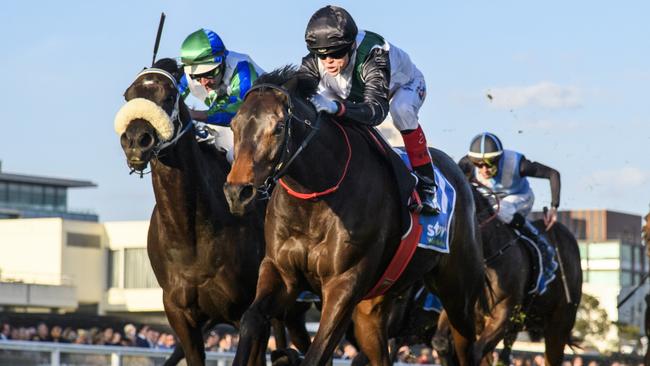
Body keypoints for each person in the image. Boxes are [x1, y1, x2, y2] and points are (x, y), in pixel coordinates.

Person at [300, 5, 440, 215]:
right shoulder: (317, 57)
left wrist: (337, 107)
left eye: (336, 54)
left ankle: (428, 185)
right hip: (351, 93)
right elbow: (298, 92)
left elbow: (376, 111)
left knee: (401, 111)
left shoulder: (373, 55)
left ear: (350, 46)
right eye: (322, 56)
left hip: (402, 87)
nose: (328, 61)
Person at [459, 132, 560, 294]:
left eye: (489, 163)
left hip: (519, 197)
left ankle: (534, 237)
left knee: (502, 210)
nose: (483, 169)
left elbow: (553, 174)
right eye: (479, 165)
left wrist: (554, 207)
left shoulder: (518, 164)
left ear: (499, 159)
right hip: (489, 199)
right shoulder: (466, 164)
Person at [178, 28, 264, 161]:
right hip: (222, 120)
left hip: (257, 124)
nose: (204, 82)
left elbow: (238, 112)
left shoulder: (242, 69)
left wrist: (196, 114)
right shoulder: (189, 75)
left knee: (235, 156)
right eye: (197, 76)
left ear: (223, 60)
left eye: (210, 73)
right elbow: (170, 94)